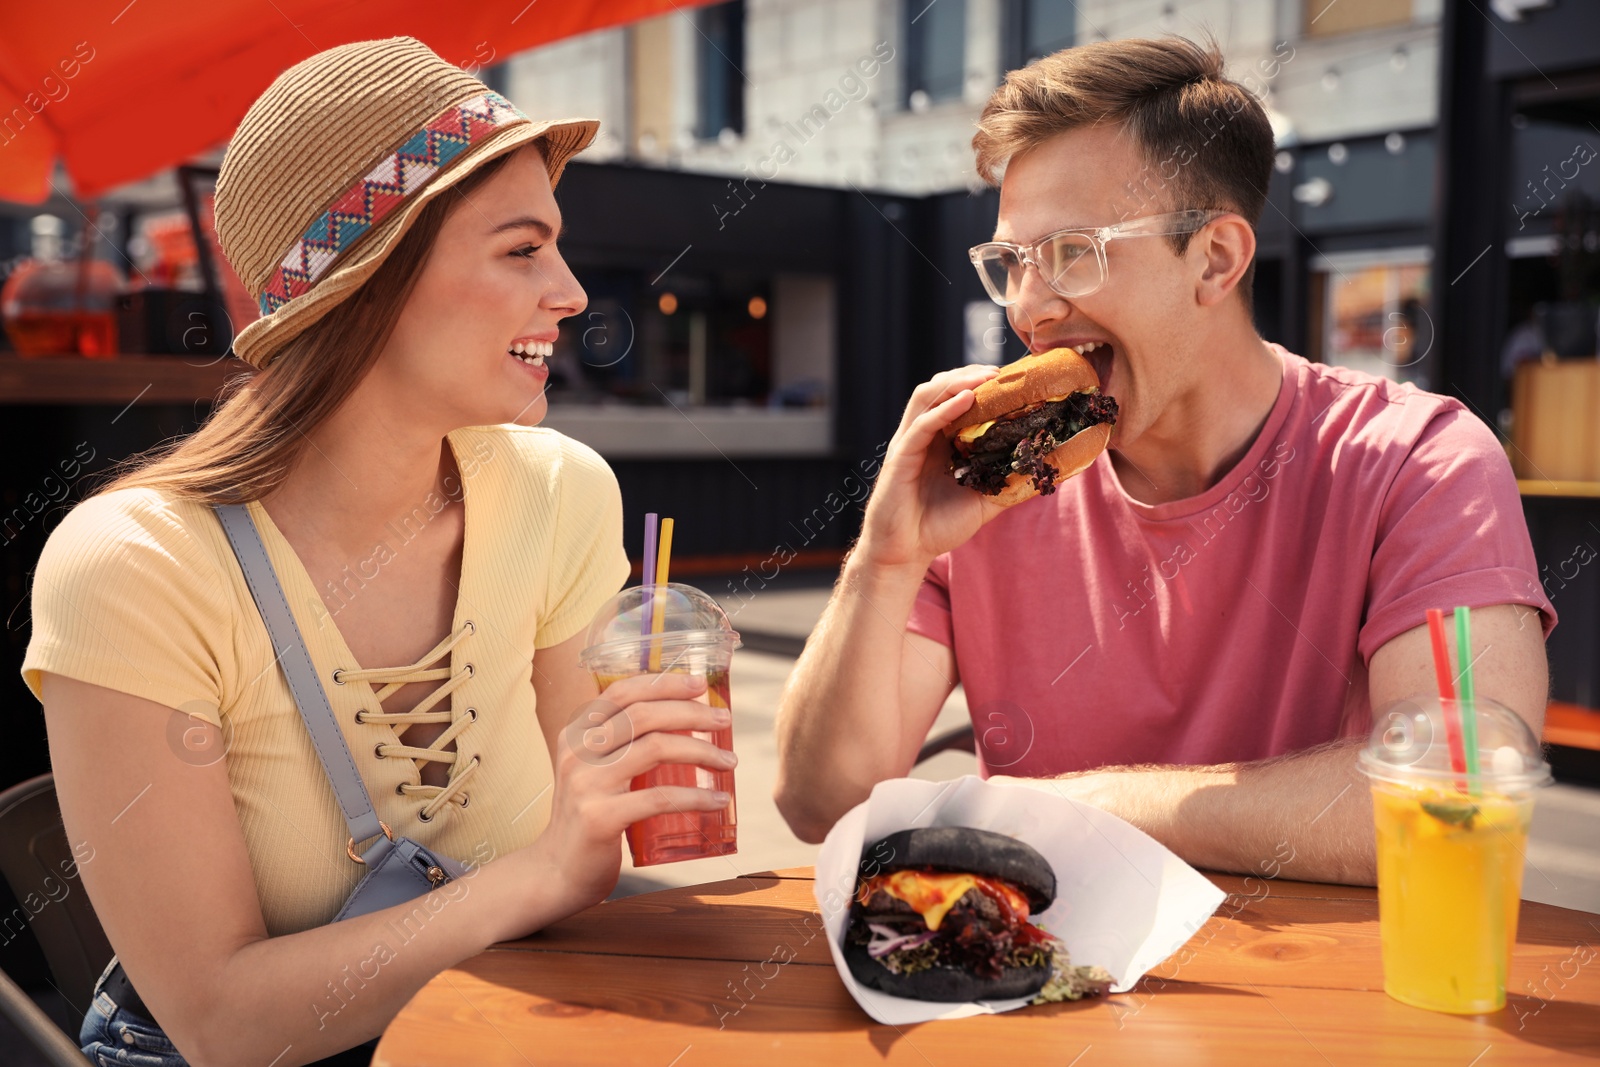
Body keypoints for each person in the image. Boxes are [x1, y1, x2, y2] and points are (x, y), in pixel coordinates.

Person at [22, 38, 733, 1066]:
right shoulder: (133, 567)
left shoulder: (562, 490)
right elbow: (220, 1021)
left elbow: (598, 838)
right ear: (372, 280)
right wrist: (543, 870)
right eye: (522, 250)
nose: (573, 293)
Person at [774, 36, 1555, 886]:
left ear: (1216, 258)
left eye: (1074, 251)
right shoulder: (991, 487)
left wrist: (1089, 806)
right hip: (1033, 988)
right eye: (1011, 264)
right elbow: (820, 802)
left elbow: (1458, 796)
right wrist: (887, 558)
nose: (1031, 307)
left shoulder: (1419, 464)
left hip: (1328, 999)